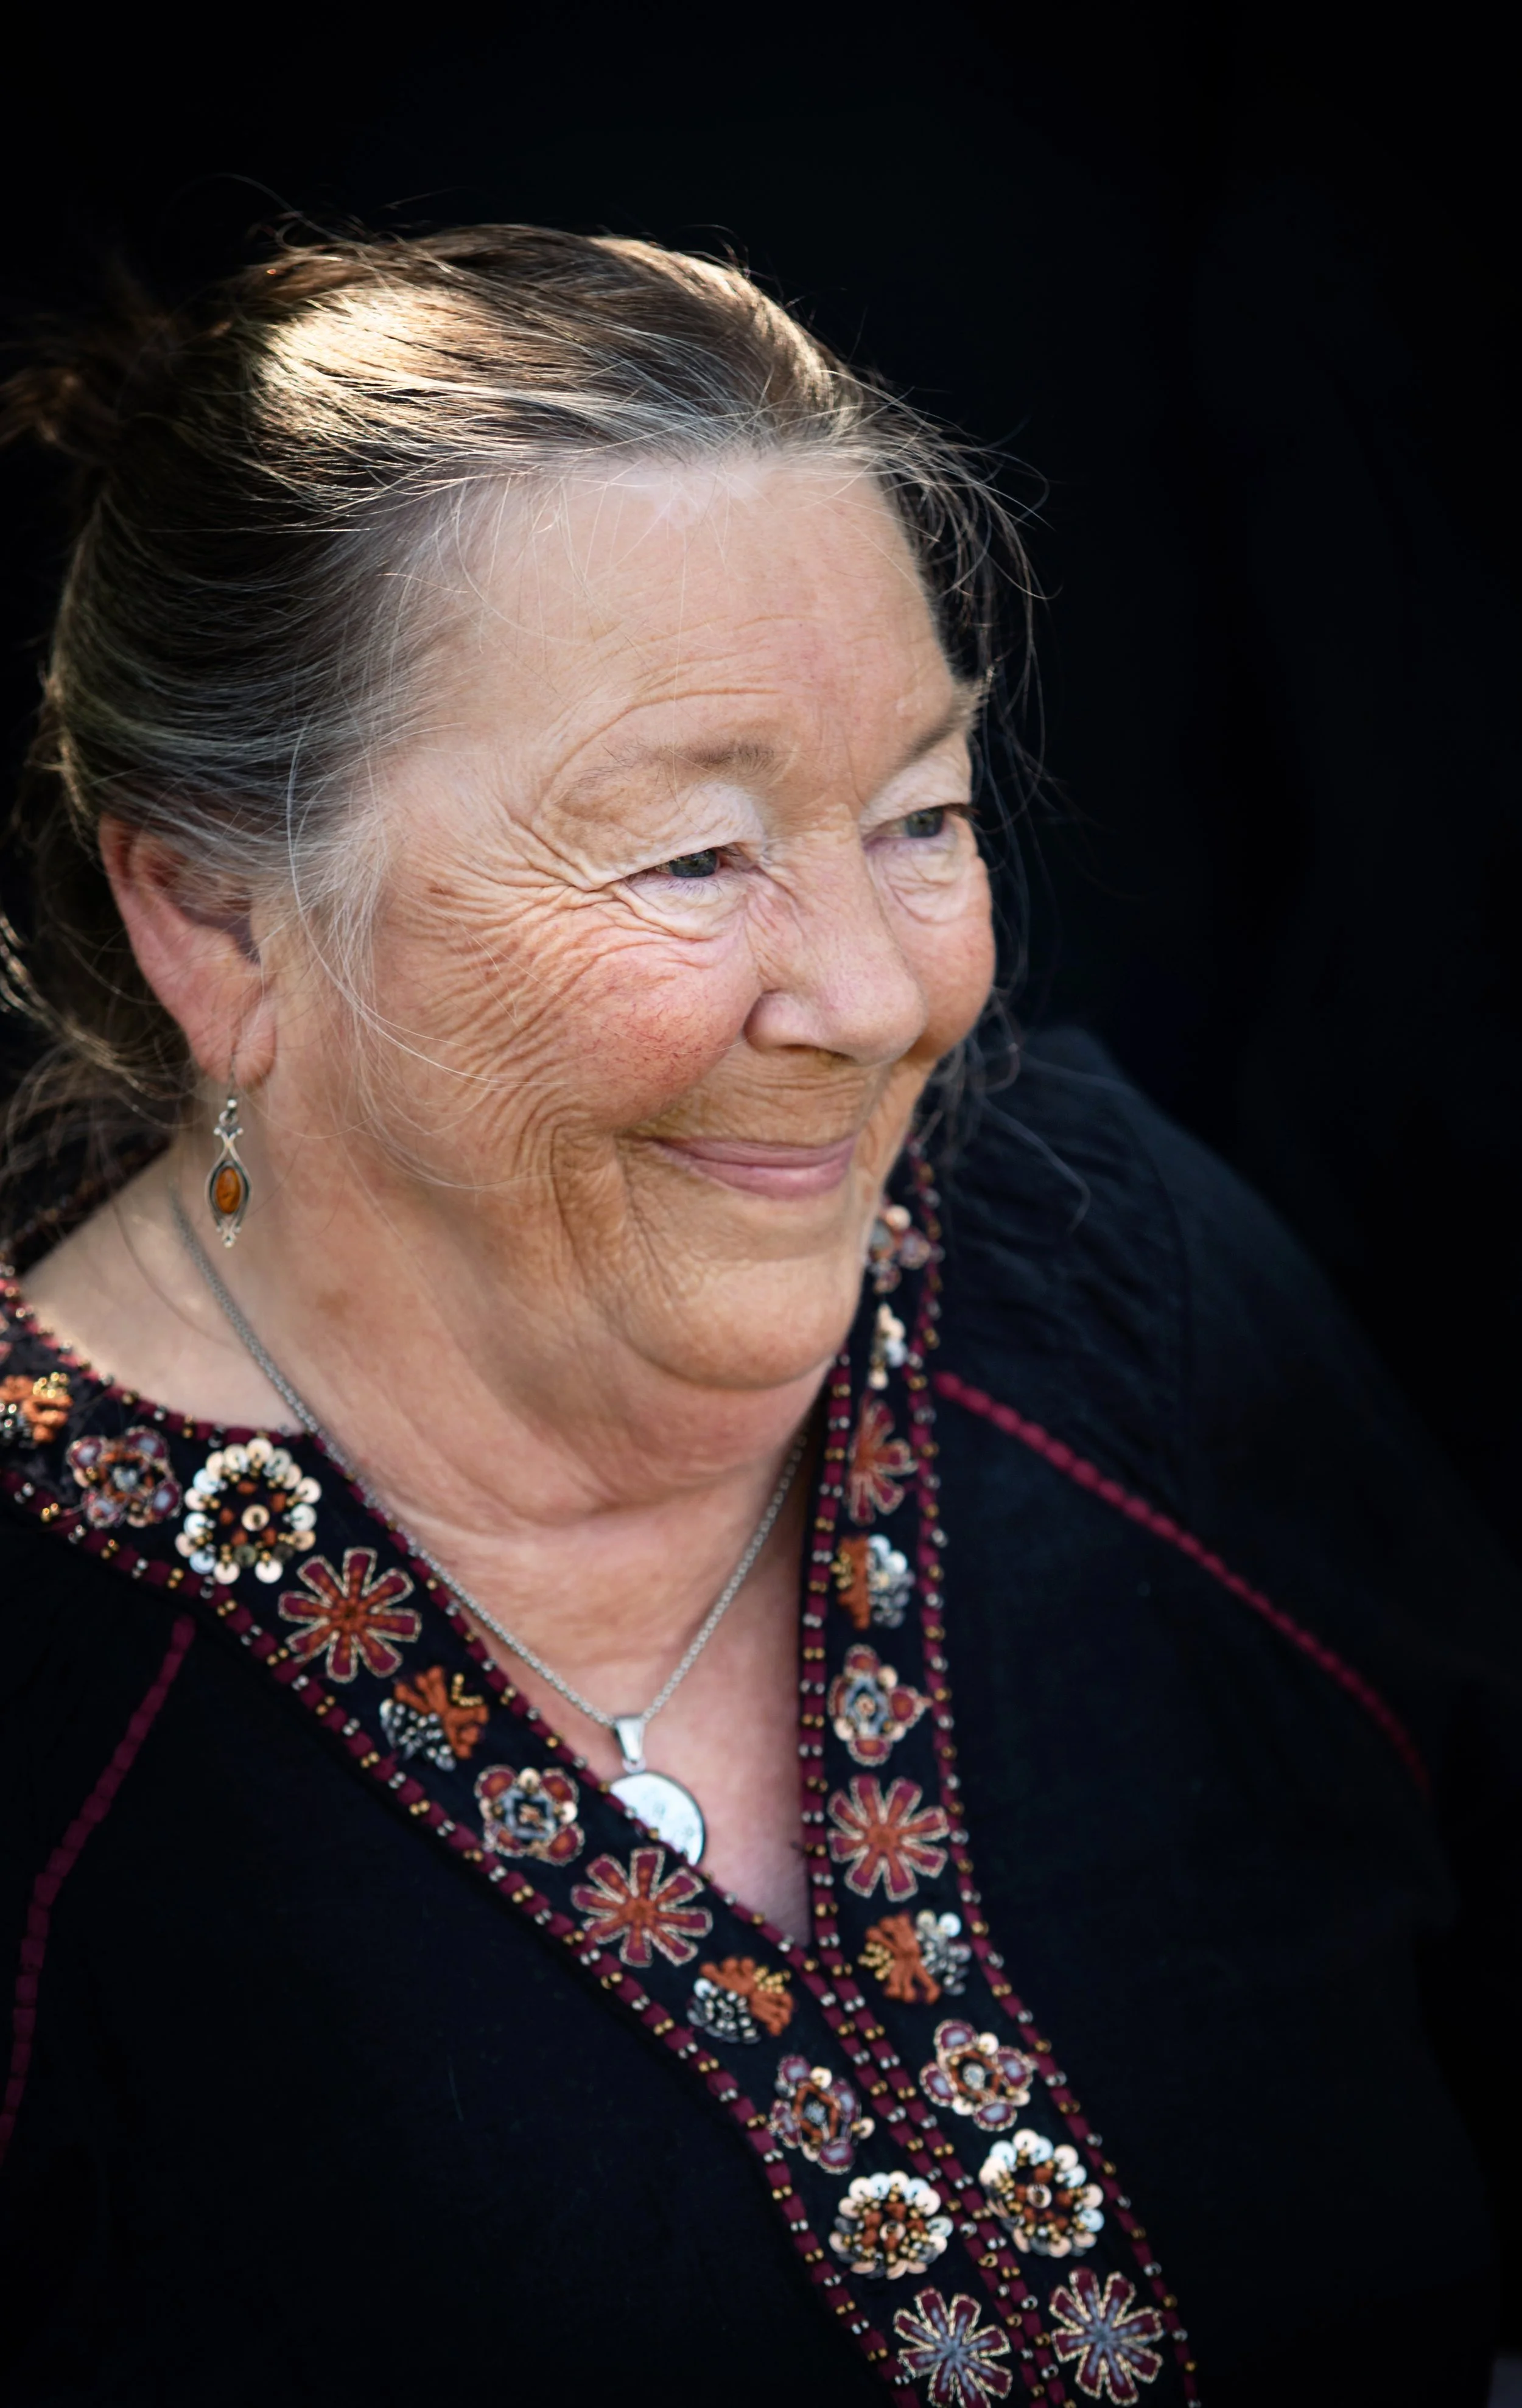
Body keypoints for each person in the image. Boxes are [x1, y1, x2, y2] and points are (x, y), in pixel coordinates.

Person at [0, 227, 1515, 2408]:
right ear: (213, 913)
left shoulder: (1103, 1285)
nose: (883, 997)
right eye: (693, 859)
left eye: (920, 813)